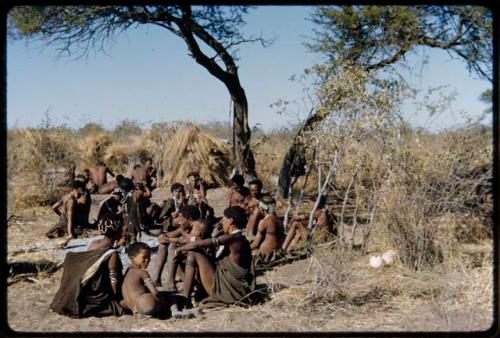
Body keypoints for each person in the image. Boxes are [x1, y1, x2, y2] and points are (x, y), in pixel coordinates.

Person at [50, 214, 126, 317]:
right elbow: (114, 282)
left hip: (84, 285)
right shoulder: (112, 254)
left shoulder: (93, 243)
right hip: (95, 291)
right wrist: (116, 297)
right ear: (118, 232)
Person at [177, 206, 255, 306]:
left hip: (227, 290)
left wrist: (179, 249)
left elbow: (197, 244)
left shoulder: (232, 238)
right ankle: (191, 294)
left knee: (193, 253)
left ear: (230, 221)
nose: (222, 222)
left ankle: (185, 299)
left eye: (224, 219)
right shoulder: (240, 238)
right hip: (232, 286)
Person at [121, 242, 192, 318]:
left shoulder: (127, 272)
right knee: (170, 296)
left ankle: (143, 314)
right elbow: (155, 293)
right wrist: (163, 301)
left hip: (132, 308)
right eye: (144, 257)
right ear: (132, 258)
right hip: (144, 304)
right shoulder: (142, 272)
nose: (147, 260)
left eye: (149, 257)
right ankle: (175, 311)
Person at [152, 205, 201, 289]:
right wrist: (162, 237)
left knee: (173, 246)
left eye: (181, 219)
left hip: (193, 266)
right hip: (182, 263)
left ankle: (170, 283)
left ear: (190, 220)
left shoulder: (198, 228)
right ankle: (156, 279)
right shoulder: (184, 227)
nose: (178, 222)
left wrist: (175, 237)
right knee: (163, 245)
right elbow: (168, 235)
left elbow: (189, 240)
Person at [250, 196, 285, 261]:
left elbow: (256, 244)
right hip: (277, 253)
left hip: (265, 254)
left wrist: (245, 250)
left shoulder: (264, 222)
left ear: (262, 209)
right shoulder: (280, 221)